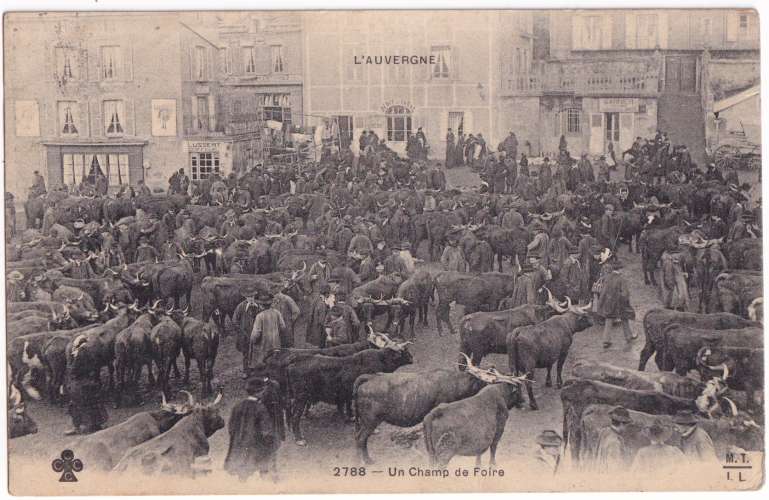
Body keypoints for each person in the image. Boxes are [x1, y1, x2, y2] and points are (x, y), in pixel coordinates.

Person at [224, 376, 283, 481]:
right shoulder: (260, 409)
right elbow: (267, 432)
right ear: (259, 392)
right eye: (263, 390)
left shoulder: (237, 406)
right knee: (266, 472)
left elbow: (231, 428)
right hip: (256, 449)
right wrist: (274, 442)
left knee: (243, 475)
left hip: (240, 447)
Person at [596, 258, 636, 349]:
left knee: (609, 321)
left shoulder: (607, 277)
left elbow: (603, 292)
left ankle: (606, 341)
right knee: (625, 319)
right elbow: (625, 293)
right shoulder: (621, 279)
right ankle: (628, 336)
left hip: (609, 303)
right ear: (620, 269)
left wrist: (601, 304)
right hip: (620, 304)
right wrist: (625, 301)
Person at [247, 292, 285, 371]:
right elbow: (283, 327)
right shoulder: (277, 313)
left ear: (261, 305)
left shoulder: (260, 316)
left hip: (264, 347)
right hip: (276, 344)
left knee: (263, 366)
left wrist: (252, 340)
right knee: (274, 365)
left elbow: (256, 334)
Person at [594, 406, 632, 473]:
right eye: (626, 425)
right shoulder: (615, 442)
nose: (627, 428)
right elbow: (614, 468)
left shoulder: (604, 431)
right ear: (621, 424)